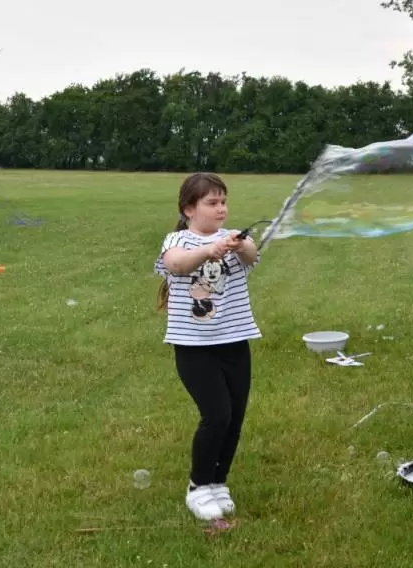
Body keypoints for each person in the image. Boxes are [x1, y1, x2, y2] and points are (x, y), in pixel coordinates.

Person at [154, 172, 262, 521]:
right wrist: (208, 250)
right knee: (217, 415)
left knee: (234, 419)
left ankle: (218, 481)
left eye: (224, 202)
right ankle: (198, 486)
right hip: (194, 347)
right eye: (212, 202)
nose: (221, 209)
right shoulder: (178, 239)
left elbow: (252, 255)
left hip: (235, 341)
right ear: (189, 209)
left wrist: (240, 244)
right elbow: (176, 264)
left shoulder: (233, 239)